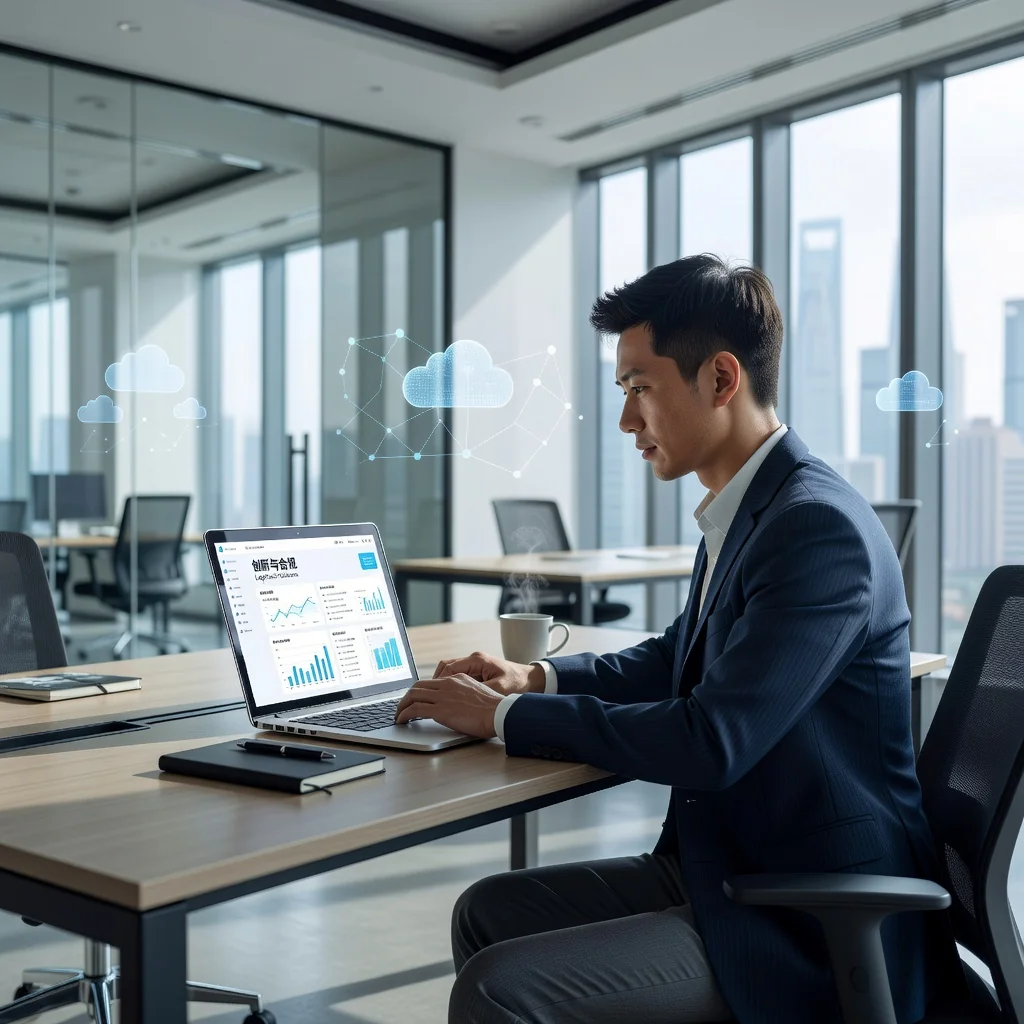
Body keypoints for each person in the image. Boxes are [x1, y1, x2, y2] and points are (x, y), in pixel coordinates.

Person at [395, 254, 949, 1024]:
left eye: (639, 389)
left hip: (810, 915)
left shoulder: (815, 527)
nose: (626, 420)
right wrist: (531, 680)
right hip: (729, 863)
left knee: (501, 989)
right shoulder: (746, 511)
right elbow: (673, 660)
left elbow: (712, 738)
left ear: (721, 380)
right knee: (488, 911)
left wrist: (497, 720)